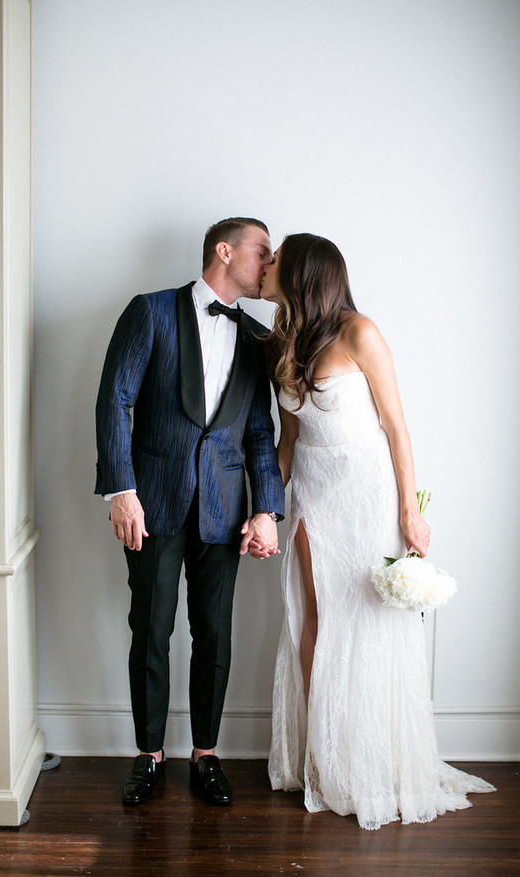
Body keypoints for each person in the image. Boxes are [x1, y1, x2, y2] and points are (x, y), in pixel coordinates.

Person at [261, 233, 495, 829]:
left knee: (368, 624)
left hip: (366, 499)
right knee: (312, 616)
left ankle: (374, 760)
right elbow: (287, 442)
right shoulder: (282, 344)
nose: (267, 267)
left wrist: (409, 512)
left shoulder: (359, 332)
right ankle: (324, 754)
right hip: (313, 496)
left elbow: (396, 425)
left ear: (304, 274)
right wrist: (268, 507)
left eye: (276, 261)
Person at [95, 217, 285, 807]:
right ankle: (148, 755)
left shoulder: (257, 339)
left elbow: (259, 433)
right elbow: (115, 398)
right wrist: (120, 490)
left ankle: (206, 754)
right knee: (150, 630)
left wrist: (268, 510)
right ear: (224, 252)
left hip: (225, 512)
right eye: (262, 253)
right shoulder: (150, 311)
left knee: (215, 635)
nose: (268, 264)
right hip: (152, 503)